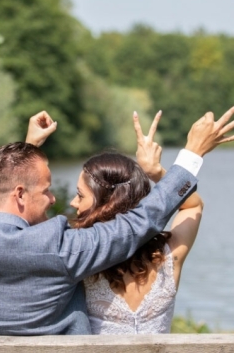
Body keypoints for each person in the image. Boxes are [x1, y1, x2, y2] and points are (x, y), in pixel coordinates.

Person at [0, 96, 234, 335]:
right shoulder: (62, 250)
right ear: (20, 194)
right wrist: (191, 154)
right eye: (47, 189)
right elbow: (140, 221)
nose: (55, 199)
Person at [71, 111, 203, 334]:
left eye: (80, 195)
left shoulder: (79, 258)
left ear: (106, 204)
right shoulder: (169, 258)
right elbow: (193, 206)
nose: (74, 202)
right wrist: (157, 172)